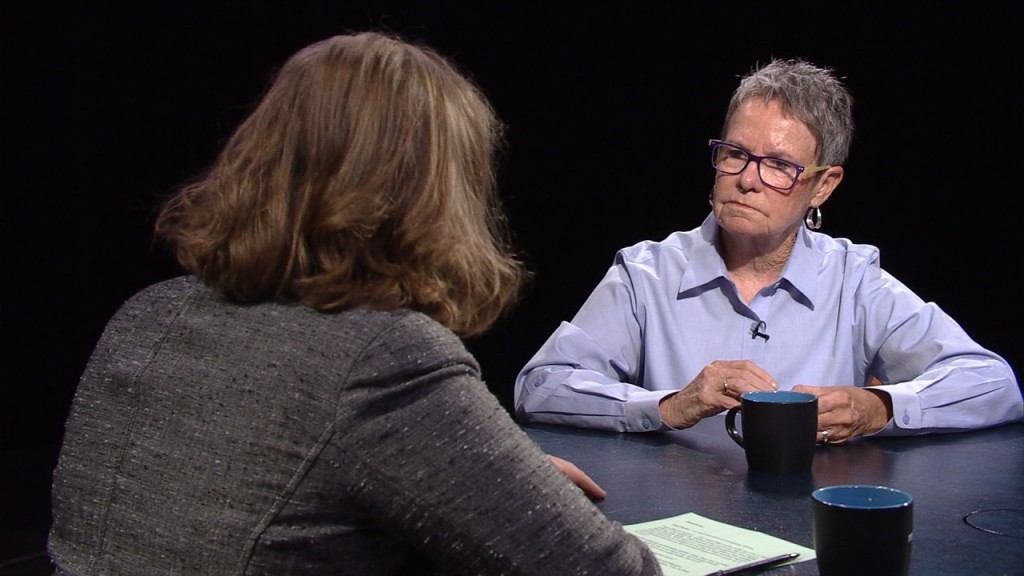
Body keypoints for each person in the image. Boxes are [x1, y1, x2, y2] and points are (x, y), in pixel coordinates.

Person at [48, 32, 662, 576]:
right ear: (435, 192)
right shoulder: (385, 358)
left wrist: (495, 484)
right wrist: (527, 506)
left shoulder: (146, 314)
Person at [515, 59, 1022, 443]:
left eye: (779, 165)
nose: (746, 180)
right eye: (734, 154)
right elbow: (541, 386)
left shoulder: (854, 279)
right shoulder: (646, 274)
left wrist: (880, 407)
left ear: (822, 188)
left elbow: (994, 383)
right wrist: (669, 405)